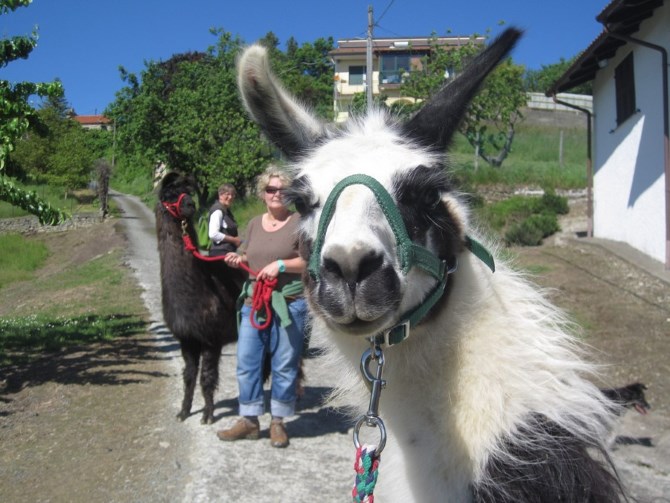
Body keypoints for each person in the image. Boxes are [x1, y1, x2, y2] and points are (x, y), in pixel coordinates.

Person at [217, 167, 307, 448]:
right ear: (263, 194)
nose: (276, 194)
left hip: (288, 304)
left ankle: (278, 421)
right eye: (271, 189)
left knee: (284, 364)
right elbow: (250, 254)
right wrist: (237, 257)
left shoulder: (301, 222)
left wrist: (281, 265)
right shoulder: (255, 223)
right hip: (253, 302)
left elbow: (310, 261)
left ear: (290, 193)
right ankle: (250, 419)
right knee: (247, 361)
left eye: (282, 189)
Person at [208, 183, 241, 257]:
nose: (230, 197)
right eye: (227, 194)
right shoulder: (218, 211)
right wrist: (234, 240)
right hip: (219, 254)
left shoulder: (225, 210)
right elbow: (213, 234)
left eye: (232, 195)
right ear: (220, 195)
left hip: (226, 252)